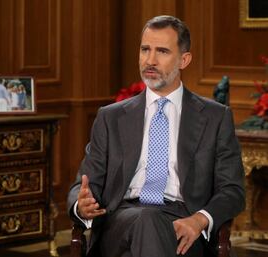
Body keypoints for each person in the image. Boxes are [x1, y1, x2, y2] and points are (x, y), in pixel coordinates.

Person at [67, 15, 245, 257]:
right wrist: (82, 205)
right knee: (147, 218)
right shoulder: (111, 117)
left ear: (184, 59)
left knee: (149, 229)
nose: (150, 60)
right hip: (122, 219)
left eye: (162, 51)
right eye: (145, 49)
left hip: (184, 223)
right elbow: (84, 184)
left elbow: (232, 190)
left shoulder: (215, 117)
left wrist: (200, 220)